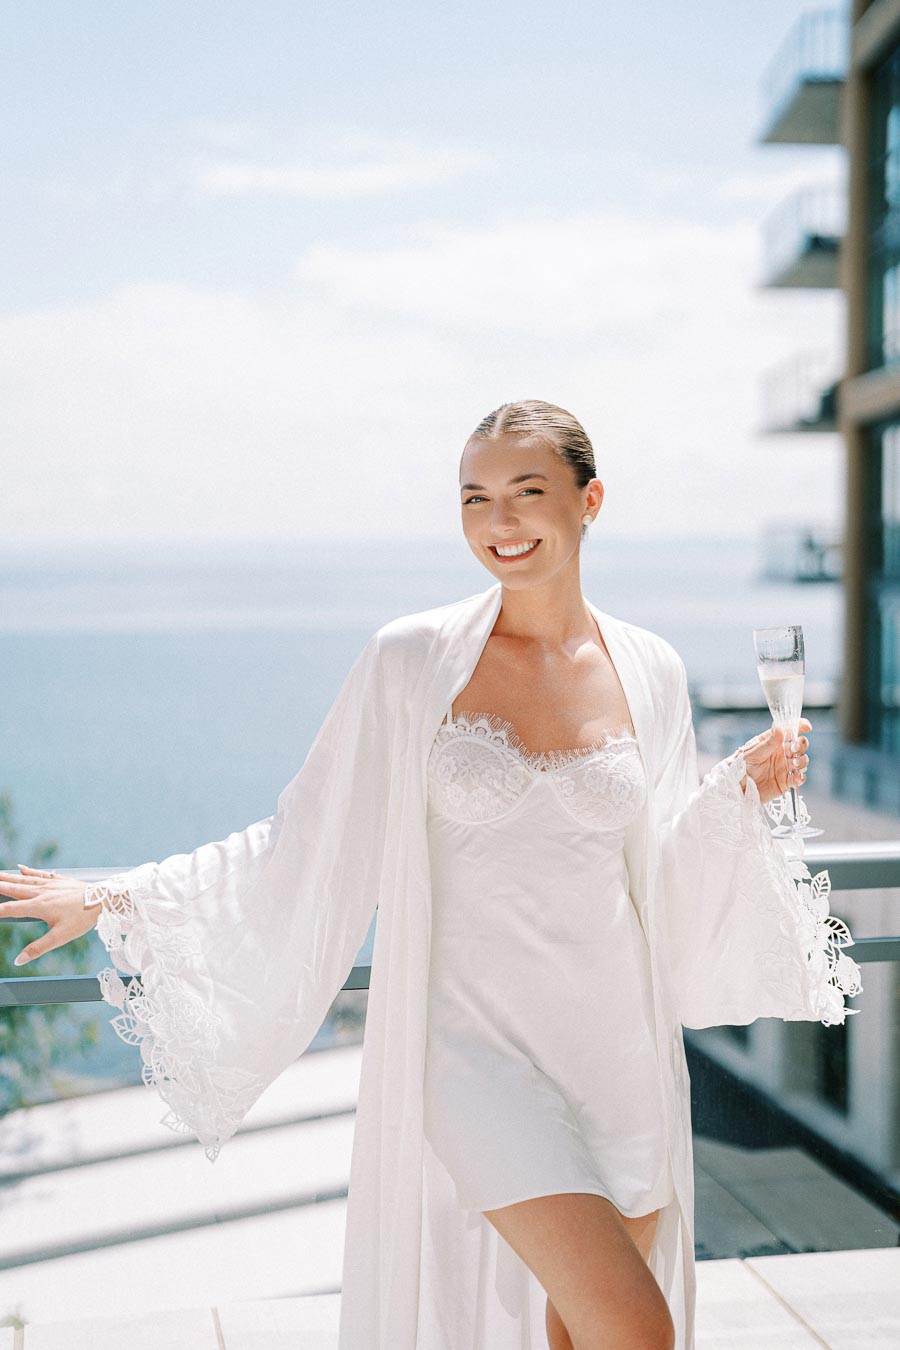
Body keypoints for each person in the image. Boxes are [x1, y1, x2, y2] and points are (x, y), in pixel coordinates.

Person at [0, 400, 862, 1350]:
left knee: (580, 1329)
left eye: (527, 492)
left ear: (590, 501)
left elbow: (657, 867)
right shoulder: (411, 661)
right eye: (475, 498)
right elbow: (310, 833)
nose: (500, 522)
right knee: (636, 1328)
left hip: (620, 1047)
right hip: (475, 1054)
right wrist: (117, 897)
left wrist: (737, 790)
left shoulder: (649, 666)